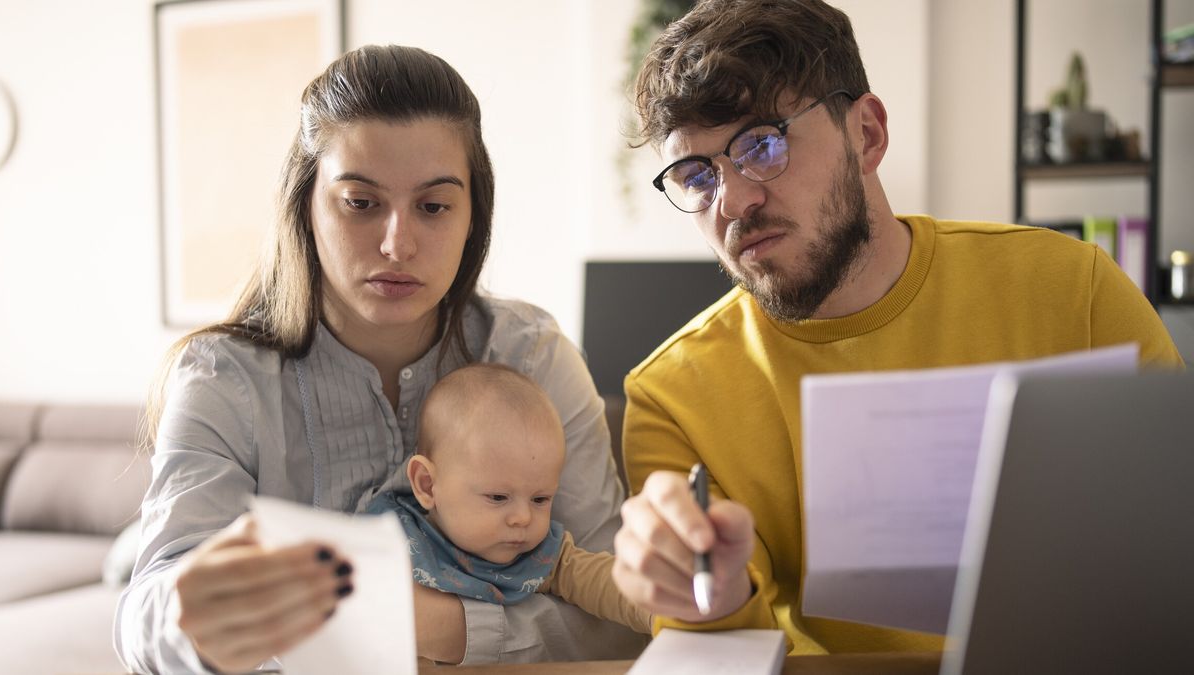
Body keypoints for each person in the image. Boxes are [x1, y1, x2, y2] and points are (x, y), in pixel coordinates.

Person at [610, 0, 1184, 657]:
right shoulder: (673, 397)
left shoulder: (1070, 289)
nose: (733, 201)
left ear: (868, 134)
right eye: (696, 175)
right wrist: (707, 590)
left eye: (763, 145)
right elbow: (718, 649)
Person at [115, 44, 643, 674]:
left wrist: (437, 628)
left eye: (434, 206)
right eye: (361, 203)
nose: (398, 244)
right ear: (305, 207)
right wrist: (190, 621)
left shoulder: (534, 354)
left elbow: (625, 614)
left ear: (474, 217)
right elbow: (143, 617)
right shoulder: (220, 377)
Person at [364, 363, 652, 634]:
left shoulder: (543, 557)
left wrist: (662, 609)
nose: (523, 518)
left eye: (540, 499)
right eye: (498, 497)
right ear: (427, 485)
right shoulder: (386, 537)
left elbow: (606, 583)